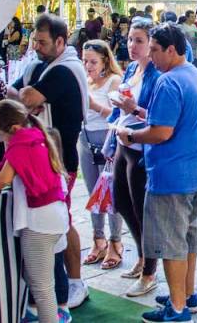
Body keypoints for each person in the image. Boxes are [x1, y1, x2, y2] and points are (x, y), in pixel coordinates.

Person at [118, 23, 197, 322]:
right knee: (188, 238)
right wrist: (138, 114)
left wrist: (130, 136)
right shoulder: (195, 75)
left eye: (156, 50)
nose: (152, 56)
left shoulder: (168, 81)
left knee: (172, 244)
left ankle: (177, 308)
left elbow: (161, 131)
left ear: (171, 50)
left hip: (173, 176)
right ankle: (187, 294)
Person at [0, 100, 72, 323]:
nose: (1, 141)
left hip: (40, 222)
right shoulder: (36, 137)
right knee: (44, 283)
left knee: (41, 288)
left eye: (0, 136)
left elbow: (3, 178)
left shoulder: (22, 144)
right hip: (54, 216)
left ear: (12, 130)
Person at [17, 14, 89, 308]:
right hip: (48, 160)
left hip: (61, 161)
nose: (36, 46)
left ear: (61, 41)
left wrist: (25, 93)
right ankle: (63, 282)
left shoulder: (63, 71)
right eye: (35, 40)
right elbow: (16, 92)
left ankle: (74, 282)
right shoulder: (45, 66)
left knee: (62, 222)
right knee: (58, 221)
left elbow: (25, 96)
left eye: (43, 42)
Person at [104, 17, 162, 296]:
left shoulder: (157, 74)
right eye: (129, 39)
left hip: (142, 147)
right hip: (123, 142)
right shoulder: (130, 71)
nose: (132, 45)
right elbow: (122, 108)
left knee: (142, 210)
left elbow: (158, 118)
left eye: (139, 40)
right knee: (122, 203)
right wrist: (117, 111)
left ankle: (150, 270)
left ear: (151, 44)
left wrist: (132, 107)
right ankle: (141, 256)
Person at [79, 40, 125, 271]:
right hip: (85, 141)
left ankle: (116, 242)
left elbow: (117, 114)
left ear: (105, 61)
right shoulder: (85, 80)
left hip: (106, 142)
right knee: (93, 192)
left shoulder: (114, 81)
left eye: (93, 62)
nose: (88, 66)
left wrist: (94, 105)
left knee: (110, 193)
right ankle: (98, 239)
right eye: (85, 61)